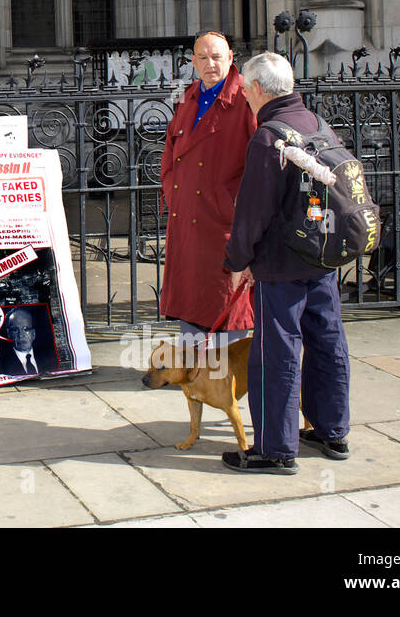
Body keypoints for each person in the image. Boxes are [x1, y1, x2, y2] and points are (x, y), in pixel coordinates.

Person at [222, 51, 351, 474]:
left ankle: (276, 450)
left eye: (244, 91)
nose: (243, 98)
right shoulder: (317, 123)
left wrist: (238, 260)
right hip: (323, 255)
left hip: (282, 264)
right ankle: (332, 432)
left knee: (276, 350)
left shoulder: (267, 136)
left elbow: (253, 209)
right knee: (327, 341)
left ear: (258, 89)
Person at [159, 31, 257, 346]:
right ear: (193, 62)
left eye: (217, 57)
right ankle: (195, 369)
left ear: (231, 58)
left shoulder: (245, 99)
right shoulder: (187, 97)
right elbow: (170, 154)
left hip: (224, 223)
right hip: (187, 217)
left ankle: (225, 372)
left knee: (226, 300)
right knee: (191, 294)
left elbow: (261, 162)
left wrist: (233, 204)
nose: (210, 64)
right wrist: (175, 194)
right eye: (203, 57)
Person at [0, 307, 57, 375]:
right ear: (9, 334)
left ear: (33, 333)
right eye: (15, 330)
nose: (21, 335)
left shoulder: (50, 357)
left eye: (26, 329)